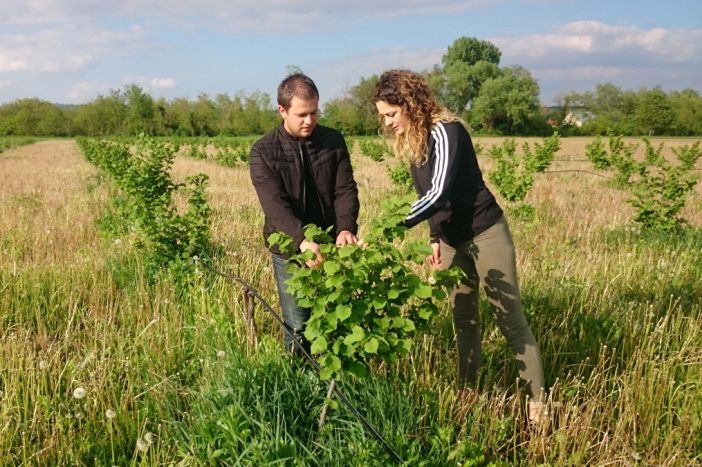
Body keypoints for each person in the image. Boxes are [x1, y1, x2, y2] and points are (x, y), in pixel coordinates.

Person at [373, 69, 546, 422]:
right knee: (463, 320)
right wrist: (435, 238)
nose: (388, 123)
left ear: (410, 104)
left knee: (509, 318)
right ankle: (468, 393)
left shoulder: (446, 131)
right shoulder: (416, 140)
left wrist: (391, 226)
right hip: (451, 241)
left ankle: (538, 404)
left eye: (391, 114)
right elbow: (429, 195)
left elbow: (439, 193)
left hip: (485, 231)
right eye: (383, 117)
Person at [249, 73, 360, 356]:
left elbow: (345, 189)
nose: (309, 120)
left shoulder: (333, 141)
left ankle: (333, 377)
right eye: (301, 114)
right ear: (282, 110)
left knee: (335, 315)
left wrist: (346, 228)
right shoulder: (263, 152)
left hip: (332, 243)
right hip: (289, 248)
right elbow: (275, 207)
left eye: (314, 112)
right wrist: (301, 241)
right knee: (298, 324)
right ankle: (299, 381)